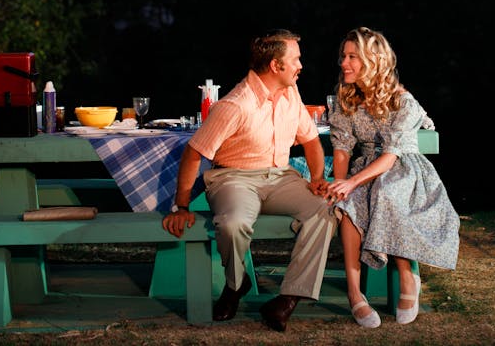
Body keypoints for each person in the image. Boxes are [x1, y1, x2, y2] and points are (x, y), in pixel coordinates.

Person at [162, 29, 337, 332]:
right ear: (275, 66)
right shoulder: (235, 104)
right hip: (234, 179)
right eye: (295, 59)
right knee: (231, 223)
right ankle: (236, 283)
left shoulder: (291, 94)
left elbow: (310, 141)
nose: (300, 65)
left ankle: (287, 300)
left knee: (326, 208)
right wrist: (181, 206)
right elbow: (193, 153)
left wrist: (318, 178)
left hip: (280, 178)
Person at [324, 26, 460, 328]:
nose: (344, 63)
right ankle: (354, 294)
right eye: (343, 56)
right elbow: (343, 147)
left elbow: (392, 155)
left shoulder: (402, 101)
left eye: (352, 57)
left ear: (373, 60)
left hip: (403, 169)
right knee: (349, 206)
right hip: (366, 169)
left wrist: (352, 181)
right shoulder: (347, 97)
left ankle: (408, 277)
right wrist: (341, 184)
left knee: (387, 193)